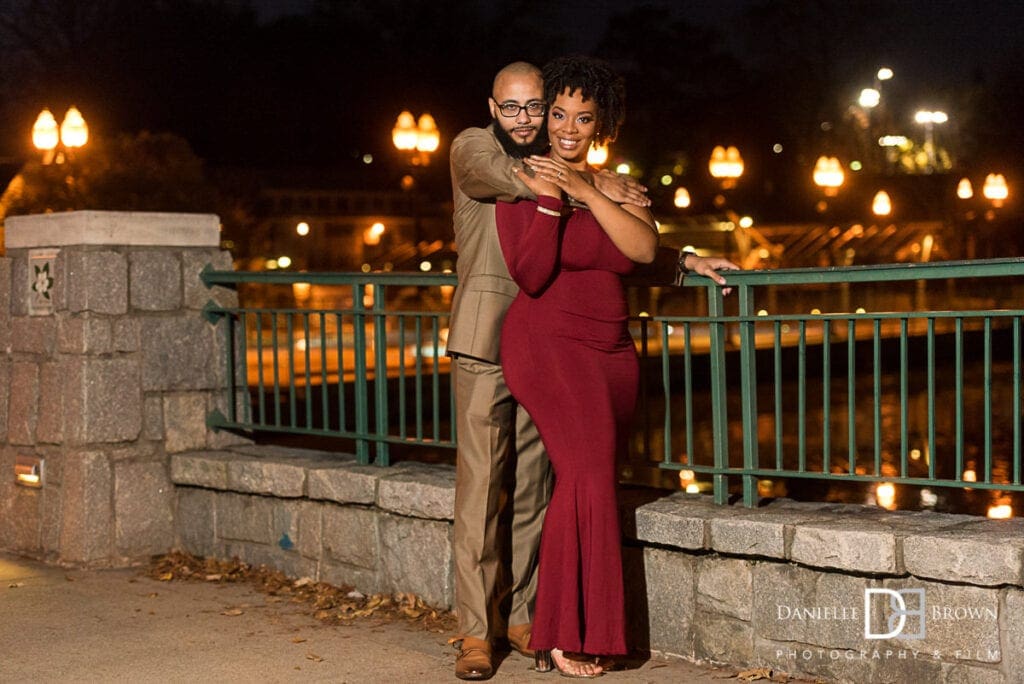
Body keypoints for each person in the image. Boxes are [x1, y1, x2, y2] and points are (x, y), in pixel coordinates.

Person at [496, 55, 736, 678]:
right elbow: (530, 272)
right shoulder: (523, 176)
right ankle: (563, 633)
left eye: (583, 117)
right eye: (558, 114)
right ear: (544, 116)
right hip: (547, 346)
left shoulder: (613, 183)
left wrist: (590, 190)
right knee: (587, 478)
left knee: (588, 479)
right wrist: (558, 195)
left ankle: (572, 624)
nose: (567, 128)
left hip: (611, 352)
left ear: (602, 125)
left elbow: (640, 248)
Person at [447, 61, 649, 681]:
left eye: (536, 107)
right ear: (492, 105)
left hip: (551, 346)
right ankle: (475, 635)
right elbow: (503, 176)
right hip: (490, 341)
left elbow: (609, 247)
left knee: (533, 492)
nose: (527, 119)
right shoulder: (478, 148)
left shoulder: (562, 166)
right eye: (515, 108)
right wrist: (589, 179)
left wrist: (682, 257)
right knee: (482, 492)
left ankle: (523, 616)